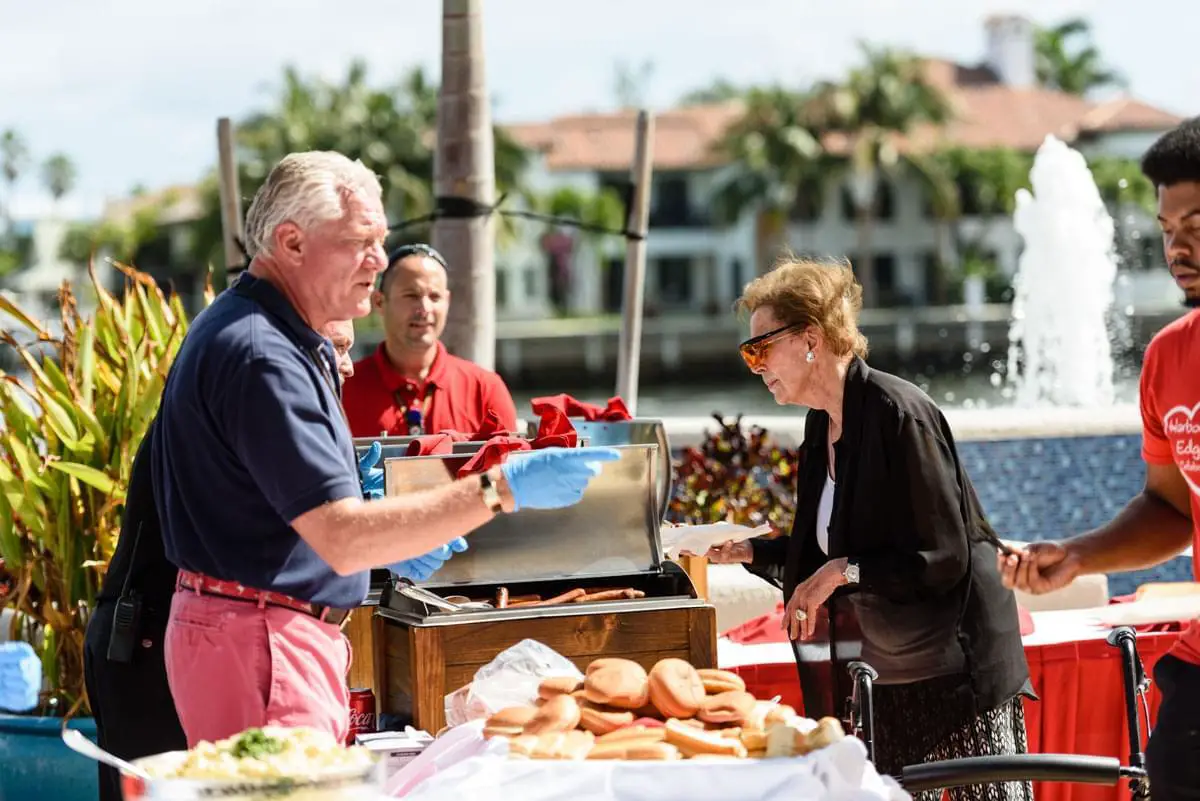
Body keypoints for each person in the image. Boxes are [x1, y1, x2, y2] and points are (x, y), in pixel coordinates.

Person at [151, 151, 617, 748]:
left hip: (253, 632)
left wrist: (390, 548)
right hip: (263, 640)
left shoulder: (253, 330)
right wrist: (501, 487)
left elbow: (279, 521)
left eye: (381, 240)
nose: (378, 261)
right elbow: (342, 536)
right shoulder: (263, 354)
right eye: (358, 242)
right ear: (291, 244)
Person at [704, 258, 1032, 799]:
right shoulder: (821, 424)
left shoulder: (898, 413)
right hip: (887, 672)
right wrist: (745, 549)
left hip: (958, 669)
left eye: (760, 346)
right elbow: (821, 559)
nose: (754, 364)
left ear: (811, 337)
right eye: (749, 351)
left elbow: (942, 557)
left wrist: (842, 570)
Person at [83, 320, 368, 801]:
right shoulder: (239, 407)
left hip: (181, 640)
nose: (347, 365)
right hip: (150, 647)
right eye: (335, 347)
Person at [1001, 118, 1200, 801]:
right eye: (1168, 226)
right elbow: (1174, 507)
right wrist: (1082, 554)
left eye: (1197, 222)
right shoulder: (1169, 359)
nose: (1178, 245)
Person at [342, 243, 519, 438]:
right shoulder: (343, 390)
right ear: (379, 302)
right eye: (411, 295)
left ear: (447, 302)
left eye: (435, 297)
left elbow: (510, 466)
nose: (425, 308)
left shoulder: (484, 389)